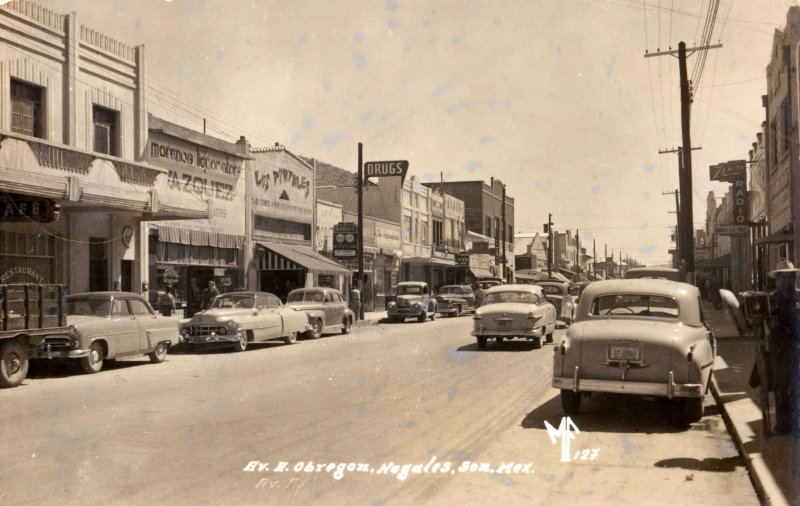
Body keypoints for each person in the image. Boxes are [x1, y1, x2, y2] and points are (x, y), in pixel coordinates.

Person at [767, 259, 800, 436]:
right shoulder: (771, 299)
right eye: (784, 277)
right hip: (779, 350)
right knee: (781, 388)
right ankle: (783, 426)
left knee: (796, 388)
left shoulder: (799, 296)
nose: (787, 281)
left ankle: (796, 425)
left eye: (791, 277)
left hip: (797, 349)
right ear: (778, 279)